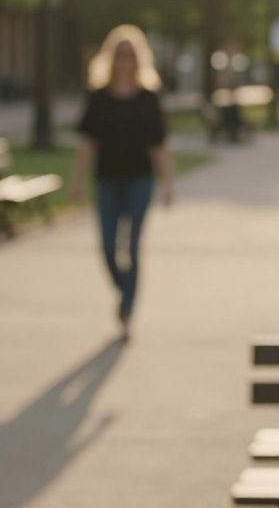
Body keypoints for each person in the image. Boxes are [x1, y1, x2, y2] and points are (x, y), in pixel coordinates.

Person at [69, 24, 174, 341]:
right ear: (111, 58)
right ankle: (124, 290)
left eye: (130, 55)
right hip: (107, 180)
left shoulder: (148, 98)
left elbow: (158, 145)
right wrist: (76, 180)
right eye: (120, 55)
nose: (125, 61)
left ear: (138, 59)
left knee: (132, 247)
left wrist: (168, 183)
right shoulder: (99, 97)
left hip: (140, 180)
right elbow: (88, 142)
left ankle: (127, 310)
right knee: (107, 245)